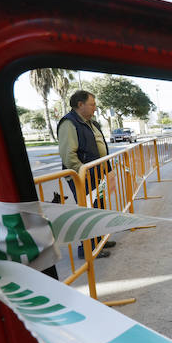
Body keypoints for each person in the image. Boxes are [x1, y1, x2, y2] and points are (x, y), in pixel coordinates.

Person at [57, 90, 115, 258]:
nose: (95, 108)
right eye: (92, 104)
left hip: (98, 173)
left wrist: (107, 170)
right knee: (88, 211)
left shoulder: (92, 123)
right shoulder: (69, 123)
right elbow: (69, 155)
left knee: (99, 208)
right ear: (80, 104)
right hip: (83, 176)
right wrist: (83, 172)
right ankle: (87, 248)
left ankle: (100, 240)